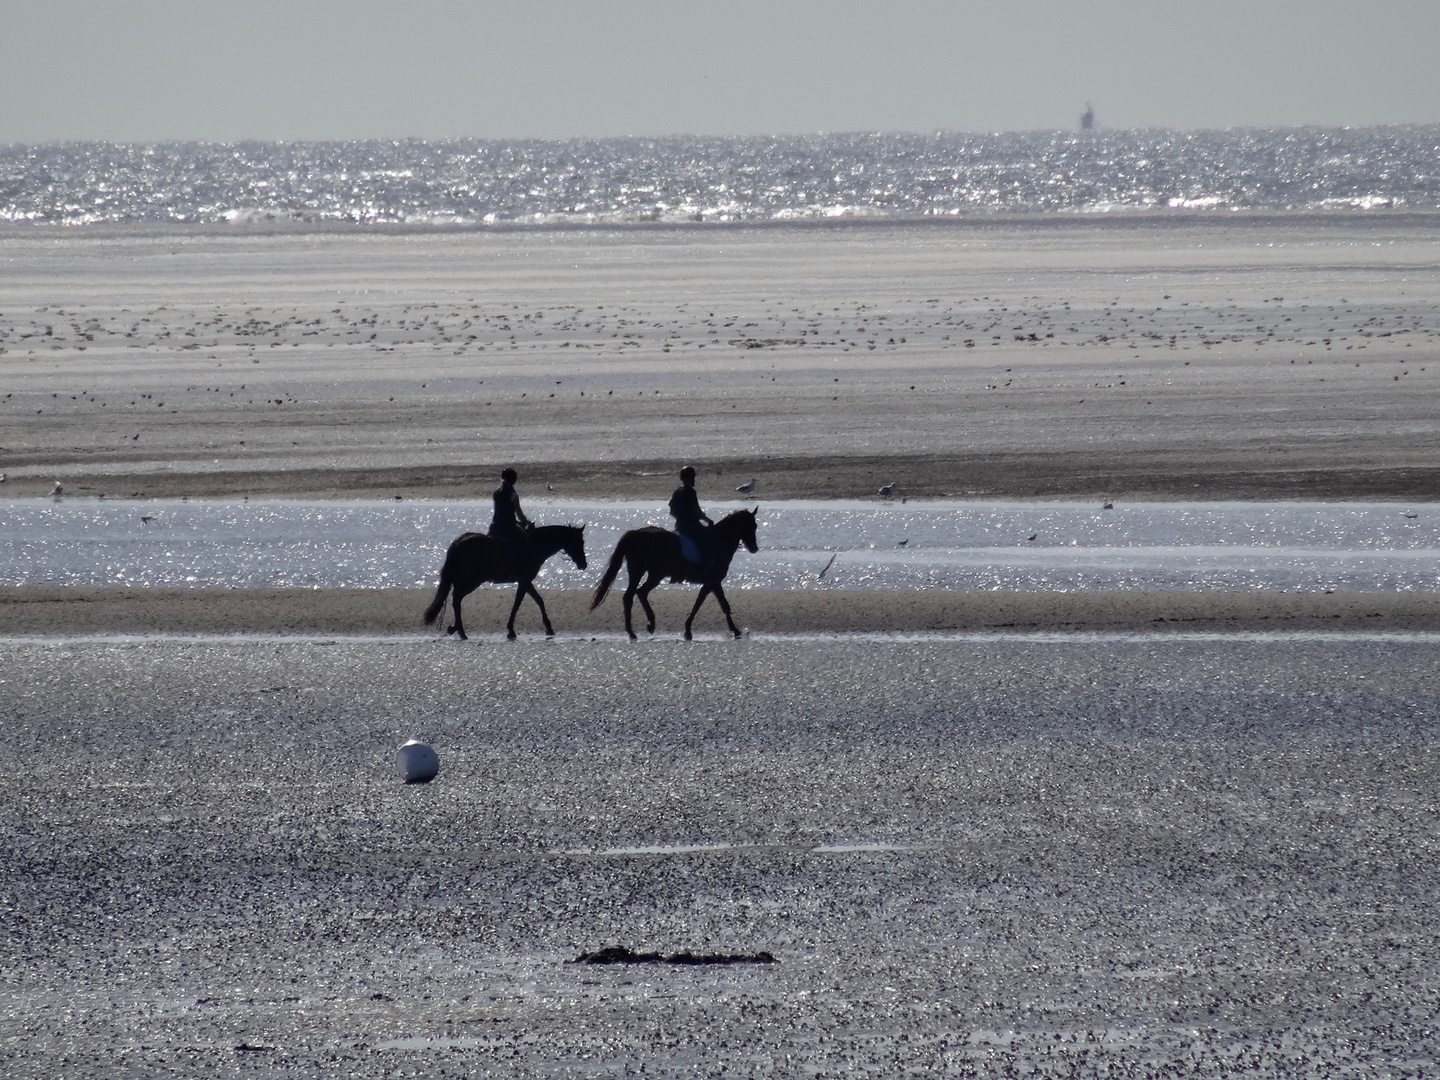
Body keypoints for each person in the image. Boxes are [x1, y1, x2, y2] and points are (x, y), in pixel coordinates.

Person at [668, 465, 713, 569]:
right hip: (692, 528)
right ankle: (703, 566)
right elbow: (697, 511)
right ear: (691, 478)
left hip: (679, 526)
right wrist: (707, 520)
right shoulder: (691, 492)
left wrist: (681, 518)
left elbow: (672, 511)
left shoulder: (677, 491)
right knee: (707, 543)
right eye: (693, 478)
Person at [489, 468, 533, 547]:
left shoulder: (496, 493)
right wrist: (526, 521)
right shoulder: (512, 493)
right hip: (508, 525)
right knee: (525, 539)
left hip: (495, 525)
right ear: (513, 480)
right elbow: (518, 512)